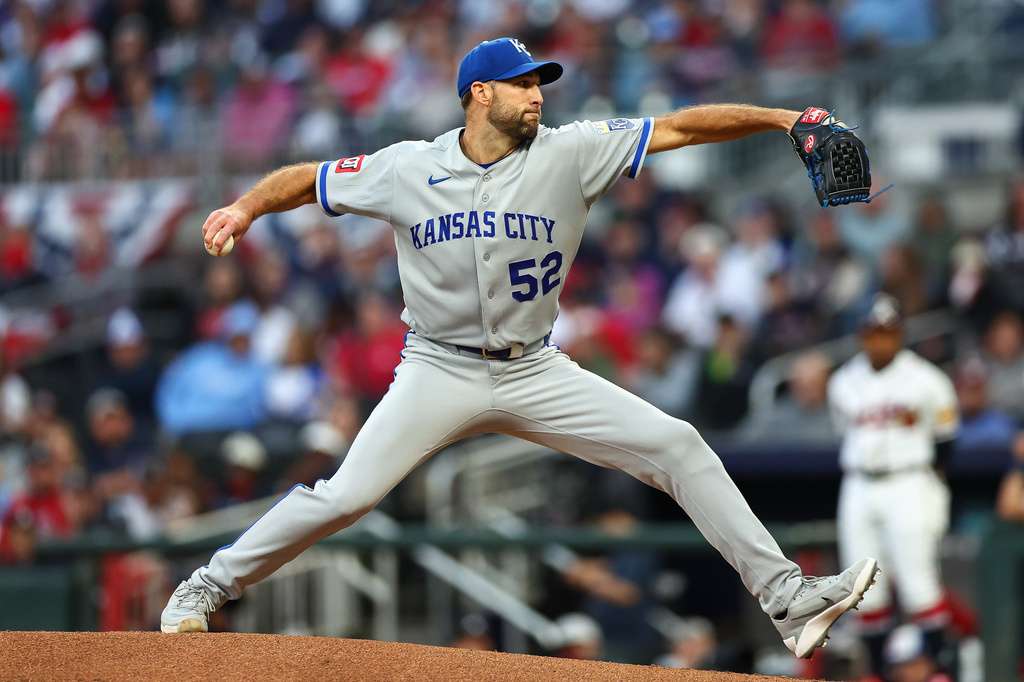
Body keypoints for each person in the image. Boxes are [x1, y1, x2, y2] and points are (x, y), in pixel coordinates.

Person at [161, 37, 878, 658]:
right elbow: (309, 179)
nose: (538, 95)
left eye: (540, 84)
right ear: (479, 93)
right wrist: (246, 206)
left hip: (535, 367)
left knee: (678, 445)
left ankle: (789, 599)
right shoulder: (408, 166)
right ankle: (206, 586)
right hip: (437, 367)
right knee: (346, 496)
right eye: (524, 83)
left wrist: (784, 118)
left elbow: (683, 129)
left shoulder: (572, 151)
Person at [827, 294, 958, 679]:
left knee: (920, 587)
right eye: (873, 333)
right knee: (864, 593)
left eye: (888, 333)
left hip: (909, 480)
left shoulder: (927, 379)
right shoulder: (843, 382)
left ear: (900, 334)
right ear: (861, 335)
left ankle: (941, 672)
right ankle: (878, 674)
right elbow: (843, 433)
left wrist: (931, 493)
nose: (880, 341)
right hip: (858, 484)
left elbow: (946, 443)